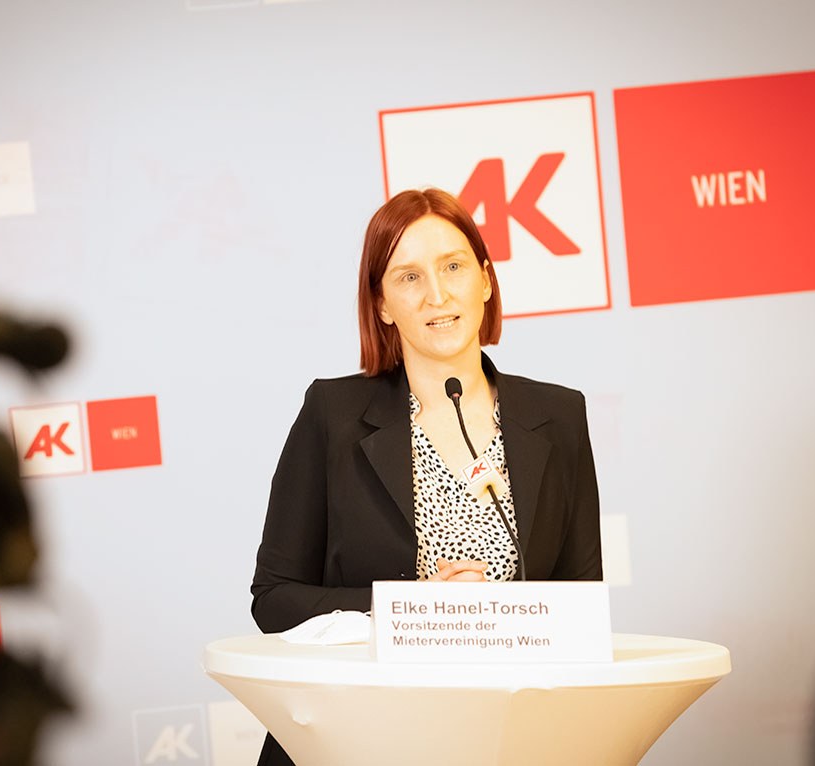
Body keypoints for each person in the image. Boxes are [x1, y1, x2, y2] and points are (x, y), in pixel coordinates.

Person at [249, 188, 602, 766]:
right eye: (408, 277)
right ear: (383, 303)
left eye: (454, 267)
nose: (437, 294)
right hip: (355, 736)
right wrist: (414, 611)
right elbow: (275, 599)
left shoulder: (560, 417)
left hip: (507, 739)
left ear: (486, 280)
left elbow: (580, 605)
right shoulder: (332, 416)